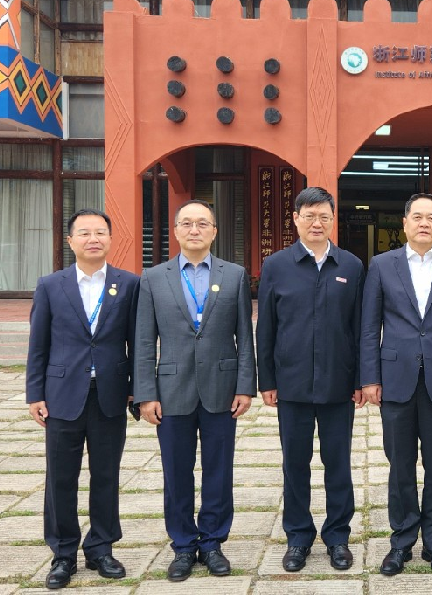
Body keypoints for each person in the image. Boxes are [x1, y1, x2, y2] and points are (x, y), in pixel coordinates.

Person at [134, 199, 256, 582]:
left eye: (203, 224)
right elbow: (142, 341)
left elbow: (244, 335)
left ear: (215, 231)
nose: (195, 230)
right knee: (176, 471)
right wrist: (144, 393)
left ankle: (213, 542)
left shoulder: (234, 275)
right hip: (170, 391)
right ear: (175, 230)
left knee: (219, 471)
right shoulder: (153, 278)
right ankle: (184, 545)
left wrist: (245, 386)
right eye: (187, 223)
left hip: (222, 388)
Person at [360, 193, 432, 577]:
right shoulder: (381, 265)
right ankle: (401, 542)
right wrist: (370, 378)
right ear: (405, 223)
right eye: (417, 217)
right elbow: (368, 328)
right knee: (400, 466)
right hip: (395, 380)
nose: (424, 223)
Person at [26, 208, 139, 589]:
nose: (94, 238)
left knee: (106, 474)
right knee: (60, 477)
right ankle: (62, 553)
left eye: (101, 232)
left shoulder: (128, 284)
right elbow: (38, 345)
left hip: (109, 394)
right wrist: (34, 393)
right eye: (85, 232)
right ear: (70, 240)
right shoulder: (50, 285)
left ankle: (101, 548)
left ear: (110, 239)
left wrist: (138, 388)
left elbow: (137, 343)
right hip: (61, 395)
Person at [256, 187, 365, 573]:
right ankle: (298, 537)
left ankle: (337, 536)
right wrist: (266, 378)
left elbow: (360, 328)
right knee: (295, 465)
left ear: (332, 220)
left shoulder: (351, 266)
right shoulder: (277, 266)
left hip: (339, 385)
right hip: (292, 385)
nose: (316, 223)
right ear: (296, 219)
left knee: (339, 465)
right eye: (309, 216)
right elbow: (265, 328)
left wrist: (361, 379)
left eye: (324, 216)